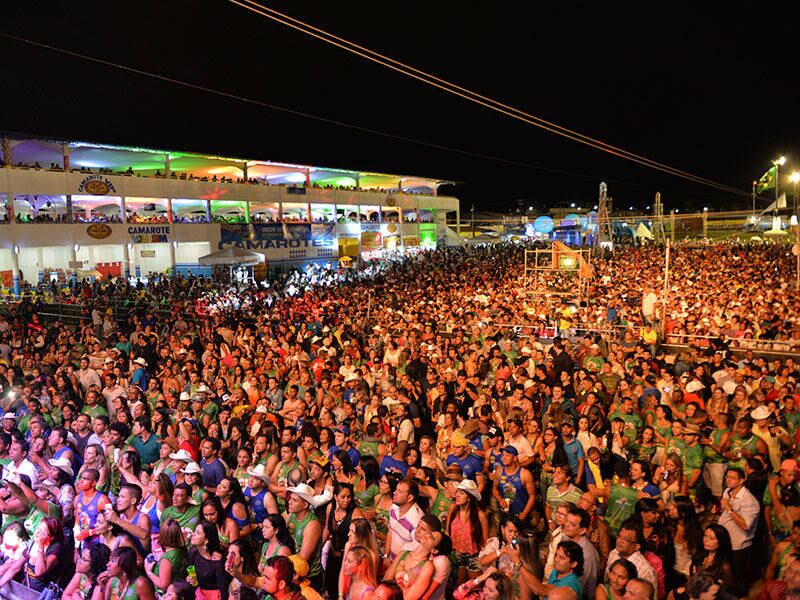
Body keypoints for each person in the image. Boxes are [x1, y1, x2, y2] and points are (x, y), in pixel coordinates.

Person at [717, 467, 759, 587]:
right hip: (725, 540)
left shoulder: (749, 500)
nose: (728, 480)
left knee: (738, 575)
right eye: (727, 477)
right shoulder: (727, 491)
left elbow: (745, 525)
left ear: (742, 480)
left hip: (738, 544)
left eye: (732, 478)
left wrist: (729, 509)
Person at [520, 540, 584, 599]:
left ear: (573, 564)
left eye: (561, 558)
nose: (556, 559)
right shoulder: (555, 572)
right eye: (556, 555)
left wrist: (518, 563)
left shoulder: (571, 584)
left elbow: (540, 590)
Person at [187, 520, 230, 600]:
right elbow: (191, 574)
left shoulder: (217, 560)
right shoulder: (193, 552)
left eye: (198, 533)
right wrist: (189, 579)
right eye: (194, 531)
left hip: (214, 596)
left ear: (206, 540)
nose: (193, 534)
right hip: (198, 594)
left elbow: (223, 589)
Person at [144, 518, 187, 594]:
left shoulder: (167, 559)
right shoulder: (183, 548)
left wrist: (149, 572)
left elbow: (163, 585)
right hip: (181, 589)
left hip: (168, 595)